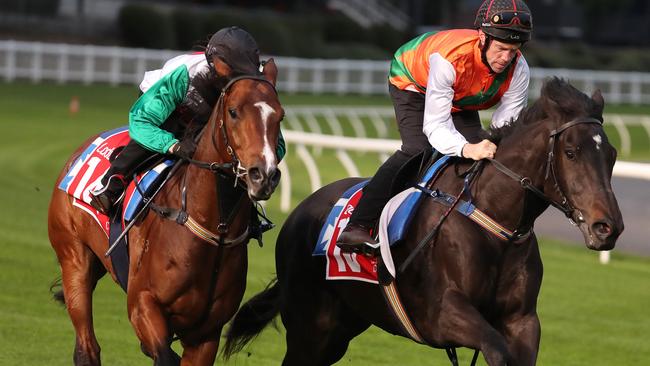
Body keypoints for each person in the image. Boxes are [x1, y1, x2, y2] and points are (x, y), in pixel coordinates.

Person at [336, 0, 533, 253]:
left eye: (513, 50)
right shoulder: (451, 59)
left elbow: (506, 125)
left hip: (460, 95)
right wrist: (466, 148)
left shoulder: (519, 69)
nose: (506, 58)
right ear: (482, 38)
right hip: (412, 81)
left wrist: (487, 146)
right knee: (418, 149)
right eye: (502, 48)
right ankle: (357, 225)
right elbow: (436, 126)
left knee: (487, 154)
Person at [89, 26, 286, 215]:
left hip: (212, 111)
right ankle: (111, 184)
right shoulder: (184, 74)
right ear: (217, 63)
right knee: (166, 131)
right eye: (233, 72)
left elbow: (275, 141)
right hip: (170, 108)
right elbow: (140, 121)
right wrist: (173, 146)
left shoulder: (250, 81)